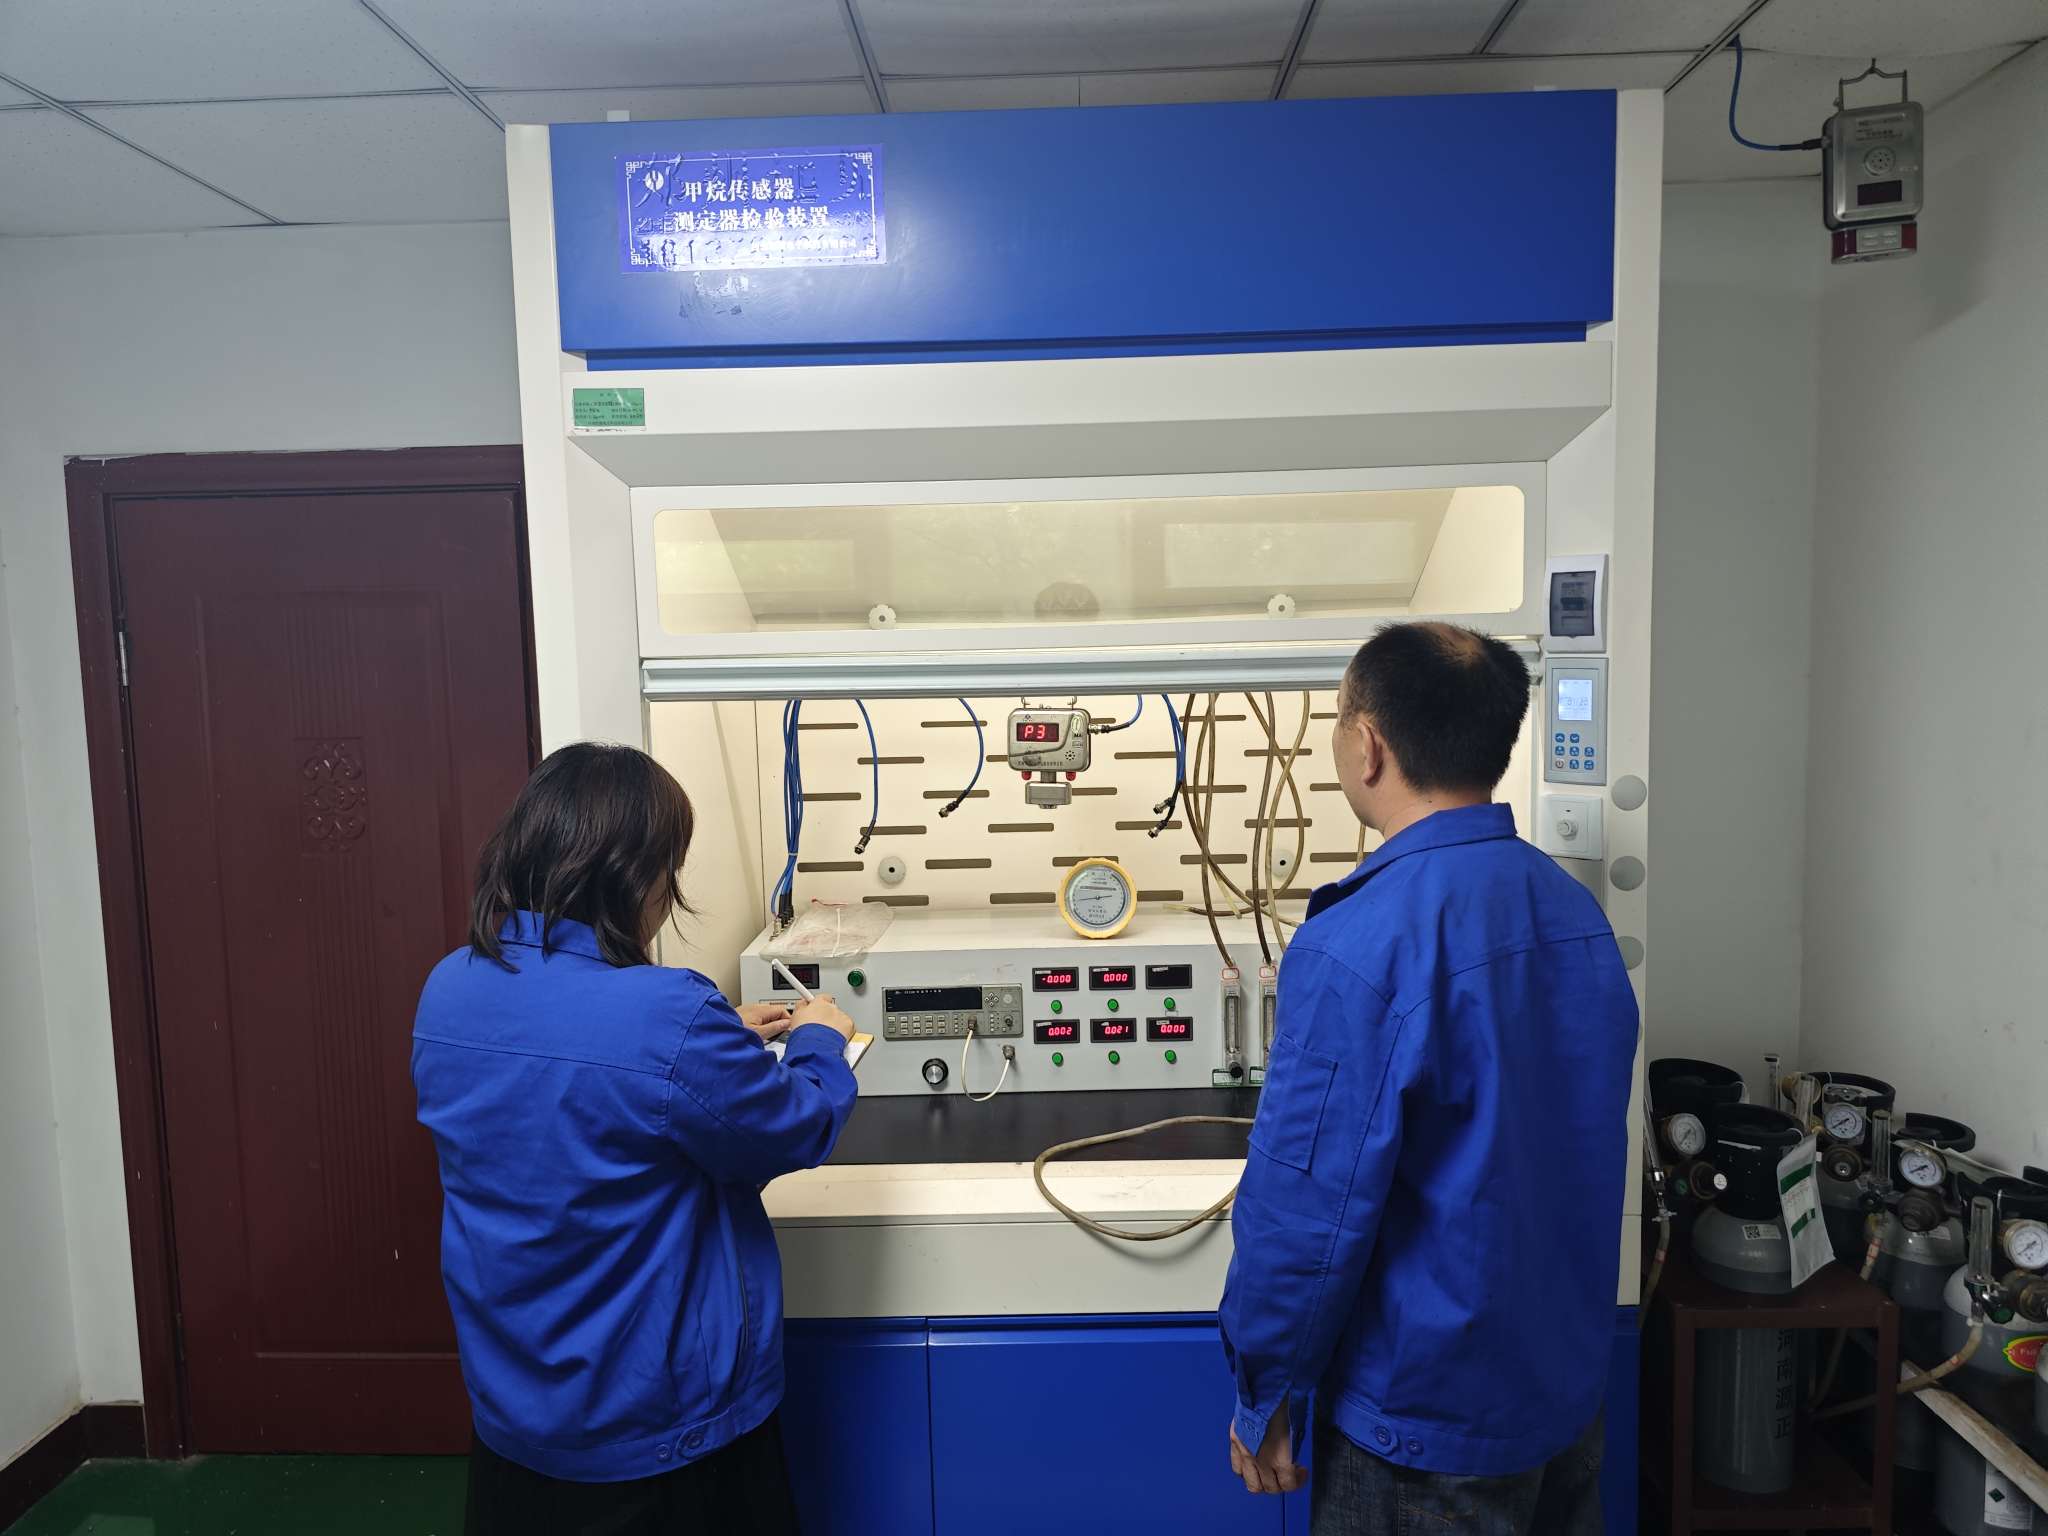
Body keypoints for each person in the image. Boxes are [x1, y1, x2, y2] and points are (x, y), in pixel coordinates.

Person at [1219, 623, 1638, 1535]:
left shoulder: (1357, 944)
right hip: (1563, 1397)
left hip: (1421, 1432)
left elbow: (1305, 1214)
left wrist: (1268, 1387)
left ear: (1367, 745)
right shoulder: (1574, 913)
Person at [413, 742, 858, 1536]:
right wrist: (821, 1038)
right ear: (636, 876)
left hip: (515, 1430)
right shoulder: (665, 1016)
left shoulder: (449, 988)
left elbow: (574, 1092)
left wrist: (715, 1041)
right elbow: (793, 1127)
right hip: (663, 1448)